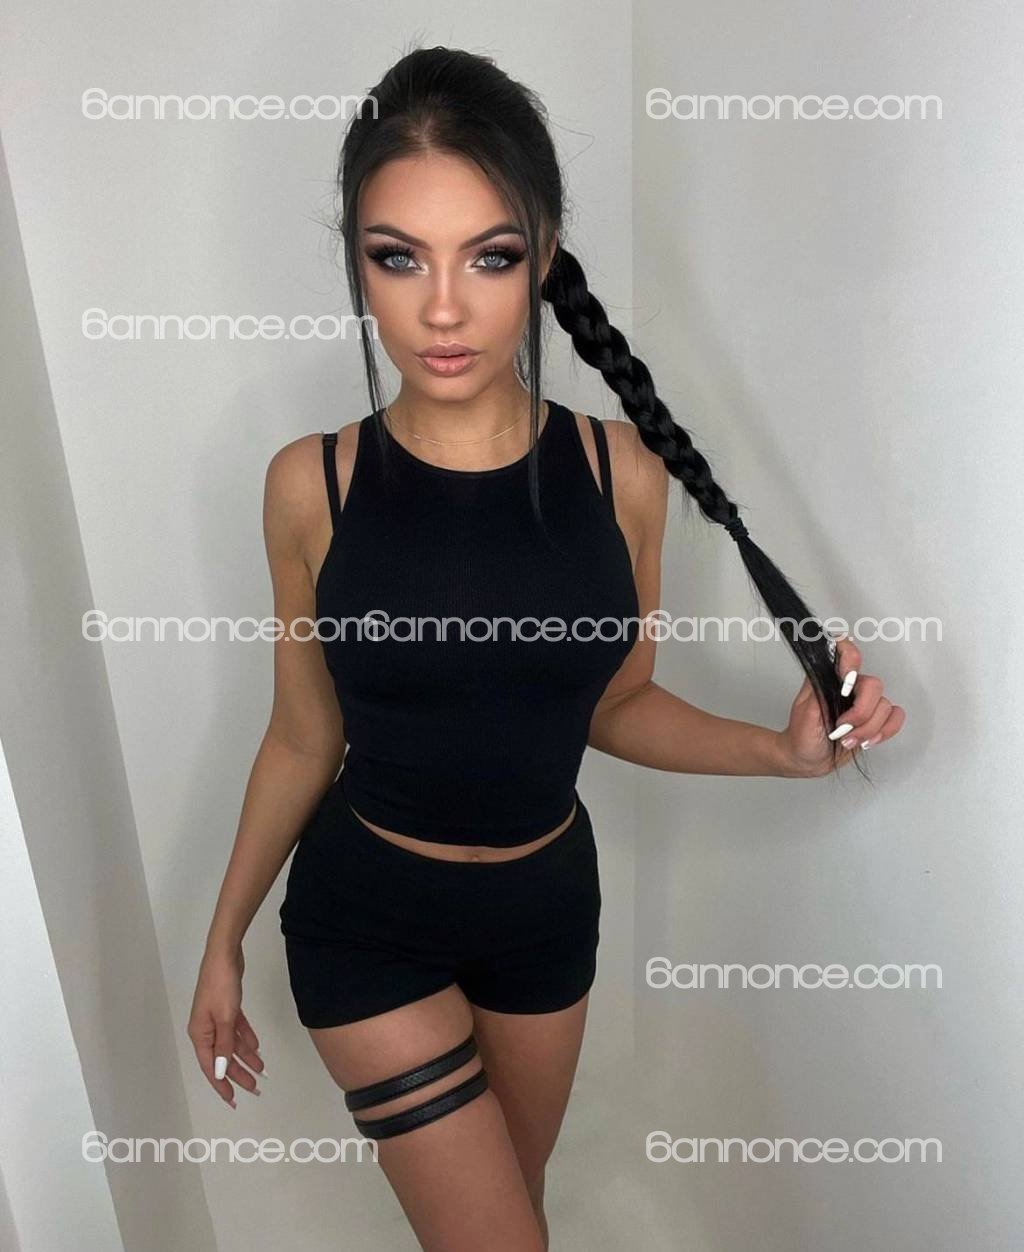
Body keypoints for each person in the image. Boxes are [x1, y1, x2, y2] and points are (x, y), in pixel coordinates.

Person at [188, 46, 905, 1251]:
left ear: (544, 253)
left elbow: (615, 705)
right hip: (367, 917)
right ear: (357, 261)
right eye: (398, 257)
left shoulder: (622, 475)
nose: (444, 308)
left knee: (512, 1219)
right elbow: (302, 738)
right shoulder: (310, 485)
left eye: (490, 255)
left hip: (544, 912)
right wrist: (220, 943)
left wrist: (780, 754)